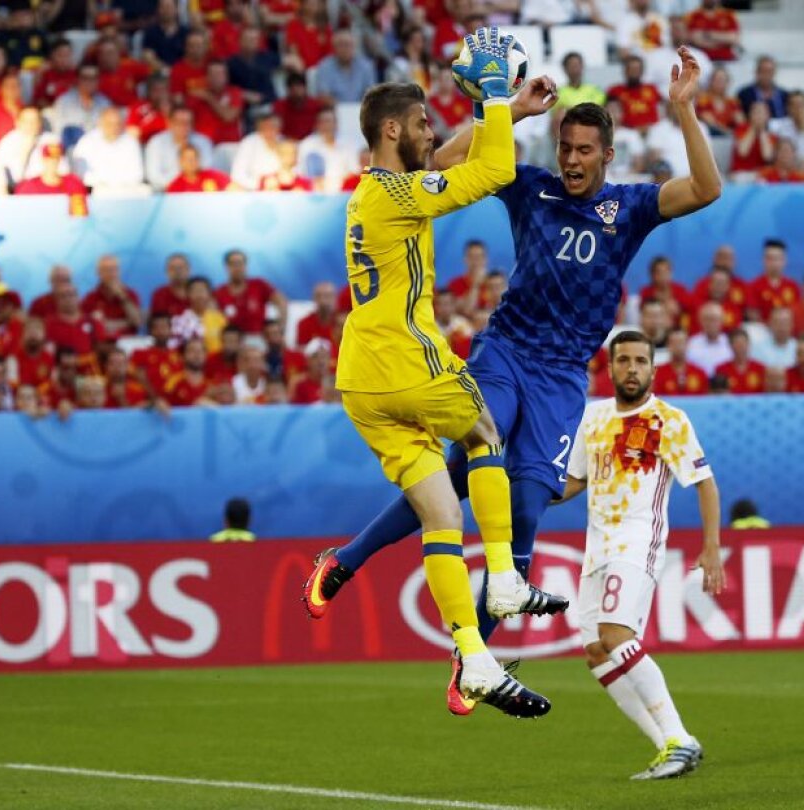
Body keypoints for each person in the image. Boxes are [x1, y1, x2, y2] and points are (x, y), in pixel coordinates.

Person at [305, 46, 723, 713]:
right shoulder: (532, 187)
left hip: (562, 379)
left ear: (608, 155)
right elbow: (440, 164)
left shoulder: (630, 207)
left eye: (586, 149)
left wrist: (684, 110)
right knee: (473, 452)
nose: (574, 159)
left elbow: (706, 190)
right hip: (505, 350)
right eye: (566, 146)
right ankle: (369, 570)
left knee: (521, 505)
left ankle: (467, 655)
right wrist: (504, 111)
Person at [302, 32, 555, 719]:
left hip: (362, 381)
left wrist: (510, 117)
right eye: (419, 122)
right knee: (483, 430)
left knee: (441, 513)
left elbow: (446, 163)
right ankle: (503, 580)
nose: (430, 129)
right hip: (403, 360)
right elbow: (493, 172)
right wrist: (496, 97)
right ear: (391, 128)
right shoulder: (393, 196)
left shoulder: (378, 191)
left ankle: (473, 658)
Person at [559, 330, 724, 779]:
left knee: (614, 635)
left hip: (637, 540)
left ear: (653, 368)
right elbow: (575, 481)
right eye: (624, 360)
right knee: (595, 651)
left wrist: (712, 547)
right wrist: (530, 495)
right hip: (597, 547)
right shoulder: (592, 418)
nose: (632, 368)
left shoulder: (668, 420)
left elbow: (705, 483)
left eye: (640, 361)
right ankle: (668, 747)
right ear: (609, 367)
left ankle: (680, 738)